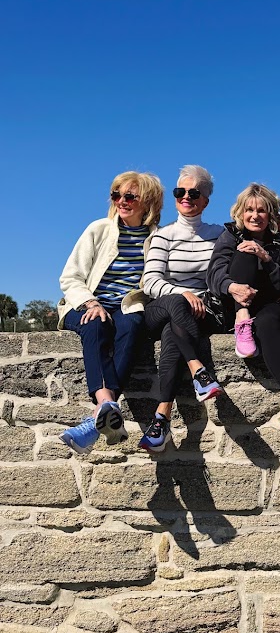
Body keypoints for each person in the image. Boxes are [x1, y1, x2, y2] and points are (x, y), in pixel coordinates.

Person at [58, 171, 164, 453]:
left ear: (148, 202)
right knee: (96, 326)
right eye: (117, 195)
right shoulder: (99, 229)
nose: (121, 201)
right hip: (85, 303)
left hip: (127, 305)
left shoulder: (157, 239)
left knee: (133, 324)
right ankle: (106, 402)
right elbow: (70, 277)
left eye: (130, 196)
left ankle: (97, 419)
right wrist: (90, 303)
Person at [207, 183, 280, 440]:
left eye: (261, 210)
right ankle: (242, 320)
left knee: (269, 324)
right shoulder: (229, 235)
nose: (254, 215)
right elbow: (214, 275)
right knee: (246, 252)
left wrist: (267, 258)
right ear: (240, 212)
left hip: (271, 304)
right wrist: (233, 287)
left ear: (270, 215)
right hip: (233, 306)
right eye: (249, 209)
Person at [139, 164, 225, 452]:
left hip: (196, 312)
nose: (186, 197)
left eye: (194, 192)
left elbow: (252, 222)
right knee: (176, 304)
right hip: (161, 306)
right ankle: (198, 369)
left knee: (171, 334)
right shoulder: (164, 235)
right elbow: (150, 280)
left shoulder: (218, 234)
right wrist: (184, 293)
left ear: (206, 200)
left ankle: (161, 417)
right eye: (180, 192)